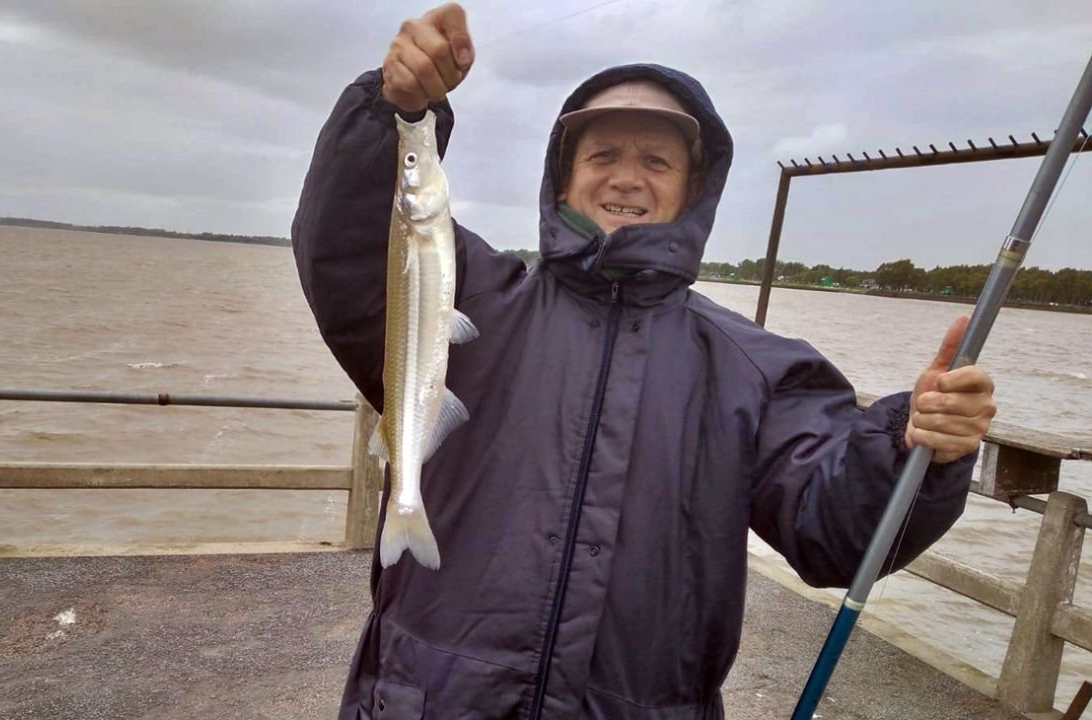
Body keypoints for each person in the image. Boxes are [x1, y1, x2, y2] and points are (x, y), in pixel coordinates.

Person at [292, 4, 997, 718]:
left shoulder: (754, 369)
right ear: (562, 182)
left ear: (693, 190)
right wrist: (396, 114)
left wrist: (917, 447)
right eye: (603, 156)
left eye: (655, 160)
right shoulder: (475, 293)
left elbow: (838, 534)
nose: (627, 178)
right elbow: (348, 249)